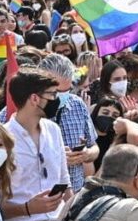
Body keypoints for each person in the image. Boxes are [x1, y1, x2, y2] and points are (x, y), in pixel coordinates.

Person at [0, 68, 72, 221]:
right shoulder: (1, 139)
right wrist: (28, 208)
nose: (57, 100)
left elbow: (65, 182)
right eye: (52, 94)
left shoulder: (53, 130)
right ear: (34, 99)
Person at [36, 53, 99, 192]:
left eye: (67, 90)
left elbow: (94, 147)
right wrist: (53, 157)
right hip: (39, 202)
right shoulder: (23, 110)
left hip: (74, 195)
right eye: (56, 91)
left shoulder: (77, 104)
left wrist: (87, 154)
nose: (62, 96)